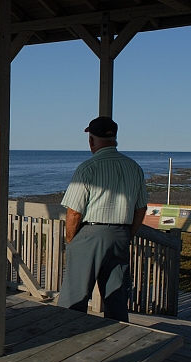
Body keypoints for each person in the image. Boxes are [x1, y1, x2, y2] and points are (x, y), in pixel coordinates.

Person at [57, 116, 148, 322]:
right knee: (116, 296)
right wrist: (128, 233)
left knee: (75, 294)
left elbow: (74, 212)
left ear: (91, 141)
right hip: (121, 234)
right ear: (114, 138)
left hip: (91, 234)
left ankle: (65, 335)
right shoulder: (134, 167)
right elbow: (141, 207)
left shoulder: (88, 168)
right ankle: (117, 337)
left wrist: (71, 239)